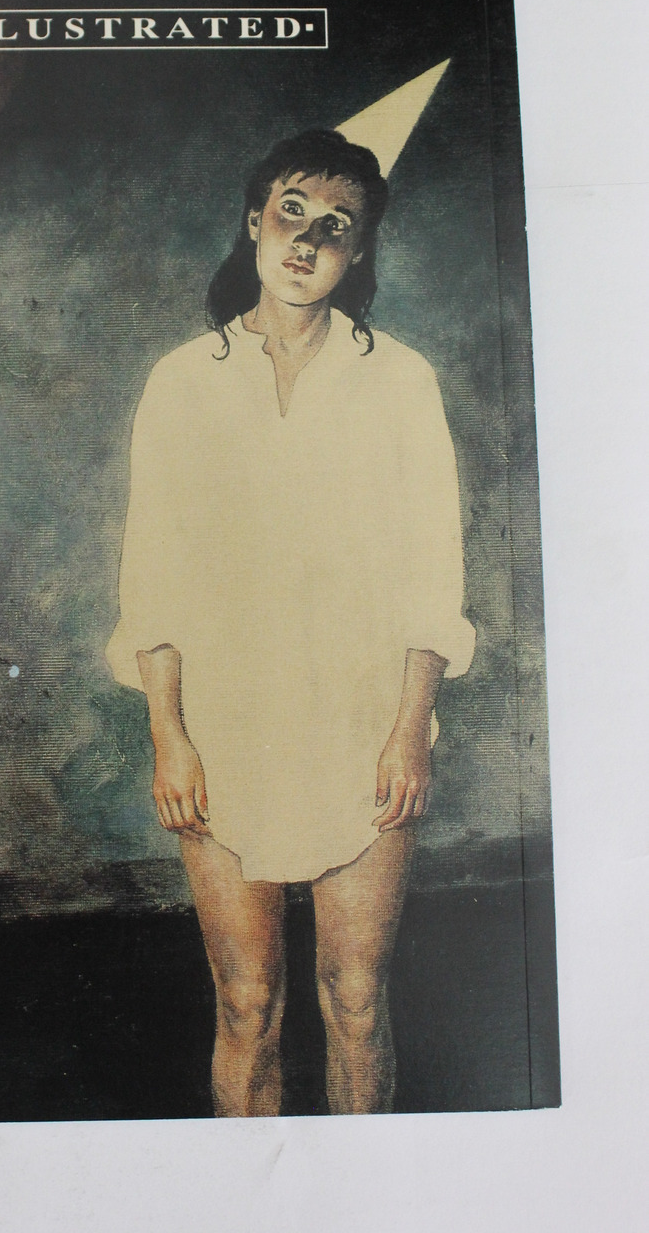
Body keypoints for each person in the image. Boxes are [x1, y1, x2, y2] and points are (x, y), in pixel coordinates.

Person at [106, 129, 475, 1116]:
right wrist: (169, 734)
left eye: (335, 226)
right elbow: (153, 577)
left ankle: (362, 1189)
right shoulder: (183, 381)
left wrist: (408, 731)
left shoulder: (399, 381)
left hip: (363, 728)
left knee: (354, 998)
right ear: (253, 223)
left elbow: (431, 572)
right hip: (225, 734)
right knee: (245, 1001)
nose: (307, 241)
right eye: (291, 212)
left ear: (359, 253)